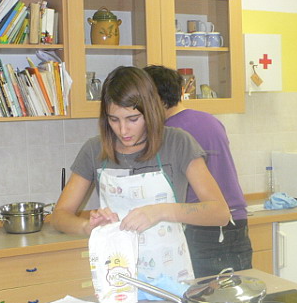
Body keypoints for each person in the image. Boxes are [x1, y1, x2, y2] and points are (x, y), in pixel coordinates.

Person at [52, 65, 230, 284]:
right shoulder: (94, 150)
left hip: (171, 279)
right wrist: (86, 226)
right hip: (117, 279)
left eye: (133, 119)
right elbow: (60, 215)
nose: (123, 130)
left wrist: (161, 211)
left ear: (150, 111)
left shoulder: (177, 143)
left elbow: (219, 212)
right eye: (114, 120)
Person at [145, 65, 252, 277]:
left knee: (202, 295)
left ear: (156, 99)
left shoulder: (169, 134)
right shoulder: (211, 120)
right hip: (237, 223)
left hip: (202, 226)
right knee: (235, 293)